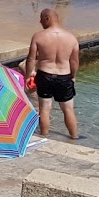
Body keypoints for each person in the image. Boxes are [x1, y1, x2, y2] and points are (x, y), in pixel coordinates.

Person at [24, 8, 81, 140]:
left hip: (45, 75)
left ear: (47, 19)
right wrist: (73, 76)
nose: (40, 21)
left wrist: (28, 76)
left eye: (41, 19)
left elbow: (31, 59)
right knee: (68, 109)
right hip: (64, 76)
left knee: (44, 108)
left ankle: (44, 136)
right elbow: (75, 61)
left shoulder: (38, 36)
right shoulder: (71, 38)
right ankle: (74, 137)